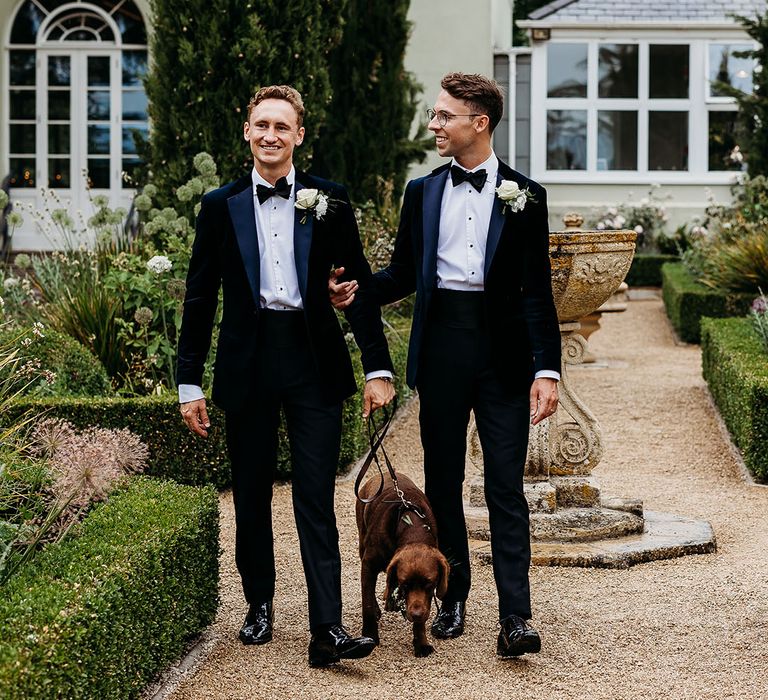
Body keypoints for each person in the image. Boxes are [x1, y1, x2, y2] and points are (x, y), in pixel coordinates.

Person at [330, 73, 561, 657]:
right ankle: (453, 597)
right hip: (441, 355)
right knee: (444, 484)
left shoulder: (526, 196)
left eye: (442, 116)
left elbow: (538, 293)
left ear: (477, 123)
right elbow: (403, 274)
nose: (433, 125)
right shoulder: (422, 191)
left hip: (504, 359)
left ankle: (516, 617)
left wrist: (547, 370)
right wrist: (358, 290)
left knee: (505, 487)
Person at [177, 84, 395, 668]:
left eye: (282, 126)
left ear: (300, 135)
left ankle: (328, 627)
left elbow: (358, 290)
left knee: (314, 497)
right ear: (246, 132)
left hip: (313, 358)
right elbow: (199, 301)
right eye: (261, 125)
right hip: (246, 362)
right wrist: (188, 382)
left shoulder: (331, 200)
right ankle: (259, 604)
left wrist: (377, 365)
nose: (271, 135)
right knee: (249, 494)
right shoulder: (219, 206)